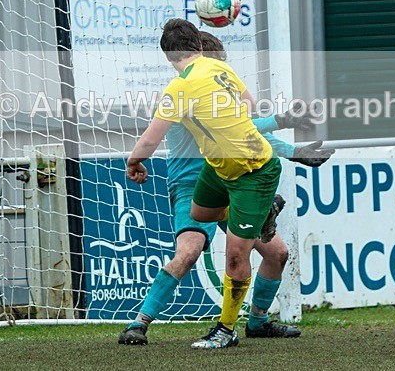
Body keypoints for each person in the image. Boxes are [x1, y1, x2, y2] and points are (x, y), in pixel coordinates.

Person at [118, 31, 333, 345]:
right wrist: (284, 124)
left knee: (278, 254)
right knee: (189, 251)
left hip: (229, 177)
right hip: (192, 184)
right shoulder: (185, 94)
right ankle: (138, 323)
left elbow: (244, 135)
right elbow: (248, 129)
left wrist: (292, 149)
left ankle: (257, 322)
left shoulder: (212, 88)